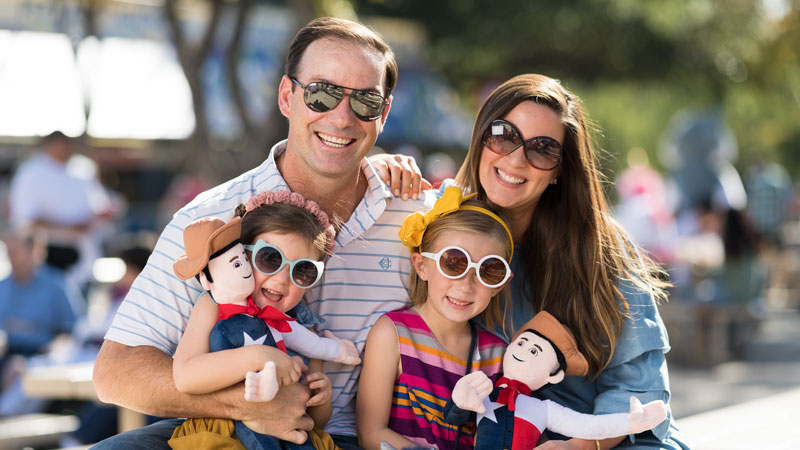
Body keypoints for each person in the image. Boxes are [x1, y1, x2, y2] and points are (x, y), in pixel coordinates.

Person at [92, 17, 430, 449]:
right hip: (219, 430)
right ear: (287, 97)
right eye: (322, 94)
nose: (342, 117)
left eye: (365, 102)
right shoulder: (209, 217)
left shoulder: (416, 218)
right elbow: (115, 372)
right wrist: (243, 404)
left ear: (382, 115)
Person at [449, 74, 689, 449]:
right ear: (480, 136)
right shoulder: (445, 232)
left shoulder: (601, 248)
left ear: (560, 169)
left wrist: (577, 446)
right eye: (503, 134)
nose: (515, 159)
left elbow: (637, 389)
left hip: (608, 440)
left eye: (542, 149)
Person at [169, 192, 359, 450]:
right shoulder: (213, 306)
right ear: (243, 256)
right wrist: (258, 356)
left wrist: (321, 398)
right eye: (270, 258)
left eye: (302, 270)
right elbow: (186, 376)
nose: (282, 279)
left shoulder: (302, 330)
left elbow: (314, 422)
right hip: (224, 437)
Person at [356, 187, 511, 450]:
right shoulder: (393, 334)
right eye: (453, 263)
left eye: (489, 270)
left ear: (500, 284)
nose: (466, 285)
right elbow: (371, 432)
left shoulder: (498, 355)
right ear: (421, 266)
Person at [444, 312, 666, 450]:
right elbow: (453, 419)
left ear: (554, 375)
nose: (523, 352)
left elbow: (588, 426)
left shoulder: (545, 409)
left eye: (534, 350)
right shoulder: (487, 390)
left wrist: (631, 422)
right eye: (521, 344)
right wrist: (459, 401)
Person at [8, 131, 115, 290]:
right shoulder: (30, 172)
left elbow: (99, 202)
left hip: (82, 254)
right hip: (45, 253)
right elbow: (26, 219)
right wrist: (70, 226)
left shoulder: (84, 168)